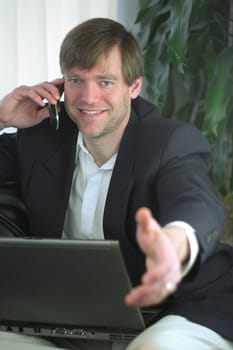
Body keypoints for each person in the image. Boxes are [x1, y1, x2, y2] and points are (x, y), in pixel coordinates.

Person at [0, 17, 233, 350]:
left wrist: (173, 245)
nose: (88, 97)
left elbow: (195, 202)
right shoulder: (39, 138)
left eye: (105, 82)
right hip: (75, 314)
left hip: (180, 305)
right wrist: (1, 117)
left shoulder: (169, 142)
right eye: (76, 80)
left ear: (134, 87)